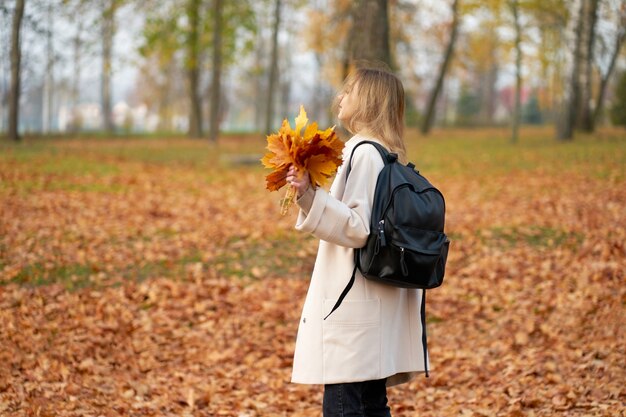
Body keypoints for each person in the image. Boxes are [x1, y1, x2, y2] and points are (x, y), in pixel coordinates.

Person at [285, 67, 429, 417]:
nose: (340, 98)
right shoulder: (385, 154)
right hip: (371, 306)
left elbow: (358, 227)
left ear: (367, 101)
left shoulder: (363, 153)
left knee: (344, 408)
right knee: (370, 405)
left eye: (348, 92)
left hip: (353, 308)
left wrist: (308, 195)